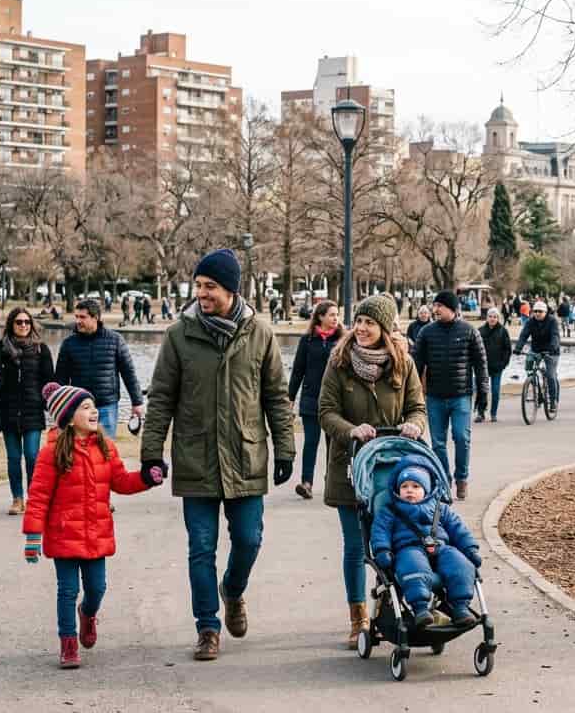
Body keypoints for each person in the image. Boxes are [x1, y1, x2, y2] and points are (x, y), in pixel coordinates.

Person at [140, 249, 296, 662]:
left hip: (246, 455)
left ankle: (234, 589)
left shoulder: (260, 333)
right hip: (197, 456)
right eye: (199, 286)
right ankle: (207, 627)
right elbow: (160, 401)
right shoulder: (179, 335)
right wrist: (151, 452)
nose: (202, 294)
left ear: (230, 289)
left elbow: (277, 398)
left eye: (210, 287)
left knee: (249, 539)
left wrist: (285, 449)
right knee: (201, 547)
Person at [22, 383, 163, 669]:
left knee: (97, 588)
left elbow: (122, 482)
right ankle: (68, 644)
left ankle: (87, 614)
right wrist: (33, 535)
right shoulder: (51, 453)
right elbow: (37, 496)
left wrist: (147, 478)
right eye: (85, 407)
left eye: (94, 406)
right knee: (67, 590)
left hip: (96, 534)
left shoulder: (105, 446)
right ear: (68, 416)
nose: (94, 411)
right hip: (64, 535)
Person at [318, 295, 427, 647]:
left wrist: (413, 424)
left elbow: (417, 407)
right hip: (350, 466)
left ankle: (392, 606)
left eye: (370, 323)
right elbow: (326, 411)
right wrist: (350, 429)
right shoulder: (339, 362)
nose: (362, 329)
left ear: (385, 328)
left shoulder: (403, 363)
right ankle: (358, 617)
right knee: (355, 546)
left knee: (394, 541)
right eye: (359, 321)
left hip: (393, 469)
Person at [369, 461, 481, 628]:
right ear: (397, 490)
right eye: (404, 486)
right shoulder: (389, 510)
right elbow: (380, 531)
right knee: (413, 565)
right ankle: (421, 609)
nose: (409, 490)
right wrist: (382, 550)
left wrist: (470, 548)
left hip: (441, 548)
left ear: (426, 490)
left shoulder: (440, 509)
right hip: (408, 549)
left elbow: (459, 529)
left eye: (415, 486)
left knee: (460, 564)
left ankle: (460, 607)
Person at [412, 291, 488, 500]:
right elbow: (415, 364)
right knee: (438, 443)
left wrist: (483, 392)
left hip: (460, 395)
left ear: (452, 309)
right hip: (435, 396)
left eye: (440, 306)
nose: (435, 310)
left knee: (462, 438)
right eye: (434, 305)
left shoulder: (469, 331)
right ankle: (444, 480)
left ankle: (462, 478)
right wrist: (412, 392)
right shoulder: (426, 333)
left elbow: (481, 364)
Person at [0, 307, 55, 515]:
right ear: (11, 325)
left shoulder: (40, 349)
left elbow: (49, 382)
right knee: (14, 457)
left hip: (32, 410)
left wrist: (51, 406)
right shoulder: (0, 349)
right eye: (19, 322)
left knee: (32, 456)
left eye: (27, 322)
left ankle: (34, 497)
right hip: (8, 409)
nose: (24, 325)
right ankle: (17, 499)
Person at [54, 299, 144, 440]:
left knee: (106, 452)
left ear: (95, 317)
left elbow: (129, 373)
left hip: (107, 406)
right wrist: (59, 409)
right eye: (76, 317)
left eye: (82, 317)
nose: (78, 321)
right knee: (80, 453)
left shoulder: (115, 340)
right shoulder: (68, 344)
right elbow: (61, 379)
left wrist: (137, 402)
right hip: (79, 407)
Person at [288, 300, 343, 500]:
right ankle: (307, 483)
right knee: (311, 442)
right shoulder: (307, 341)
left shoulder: (343, 340)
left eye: (337, 315)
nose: (336, 318)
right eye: (331, 315)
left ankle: (332, 482)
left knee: (333, 444)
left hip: (335, 402)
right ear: (320, 317)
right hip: (311, 399)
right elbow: (297, 371)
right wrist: (290, 398)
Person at [515, 300, 562, 411]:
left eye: (540, 311)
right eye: (535, 311)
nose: (537, 313)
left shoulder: (552, 321)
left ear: (545, 312)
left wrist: (552, 347)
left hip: (551, 351)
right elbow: (523, 335)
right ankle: (533, 383)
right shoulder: (531, 322)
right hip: (536, 349)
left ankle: (553, 401)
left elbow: (555, 336)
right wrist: (518, 348)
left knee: (550, 375)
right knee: (529, 363)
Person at [477, 307, 512, 422]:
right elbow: (474, 348)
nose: (492, 319)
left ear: (498, 318)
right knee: (482, 391)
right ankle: (480, 413)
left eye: (495, 317)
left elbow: (507, 349)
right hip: (483, 367)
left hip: (497, 367)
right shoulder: (480, 331)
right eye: (490, 316)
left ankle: (493, 413)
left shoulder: (503, 331)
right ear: (487, 318)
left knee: (495, 391)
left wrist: (503, 364)